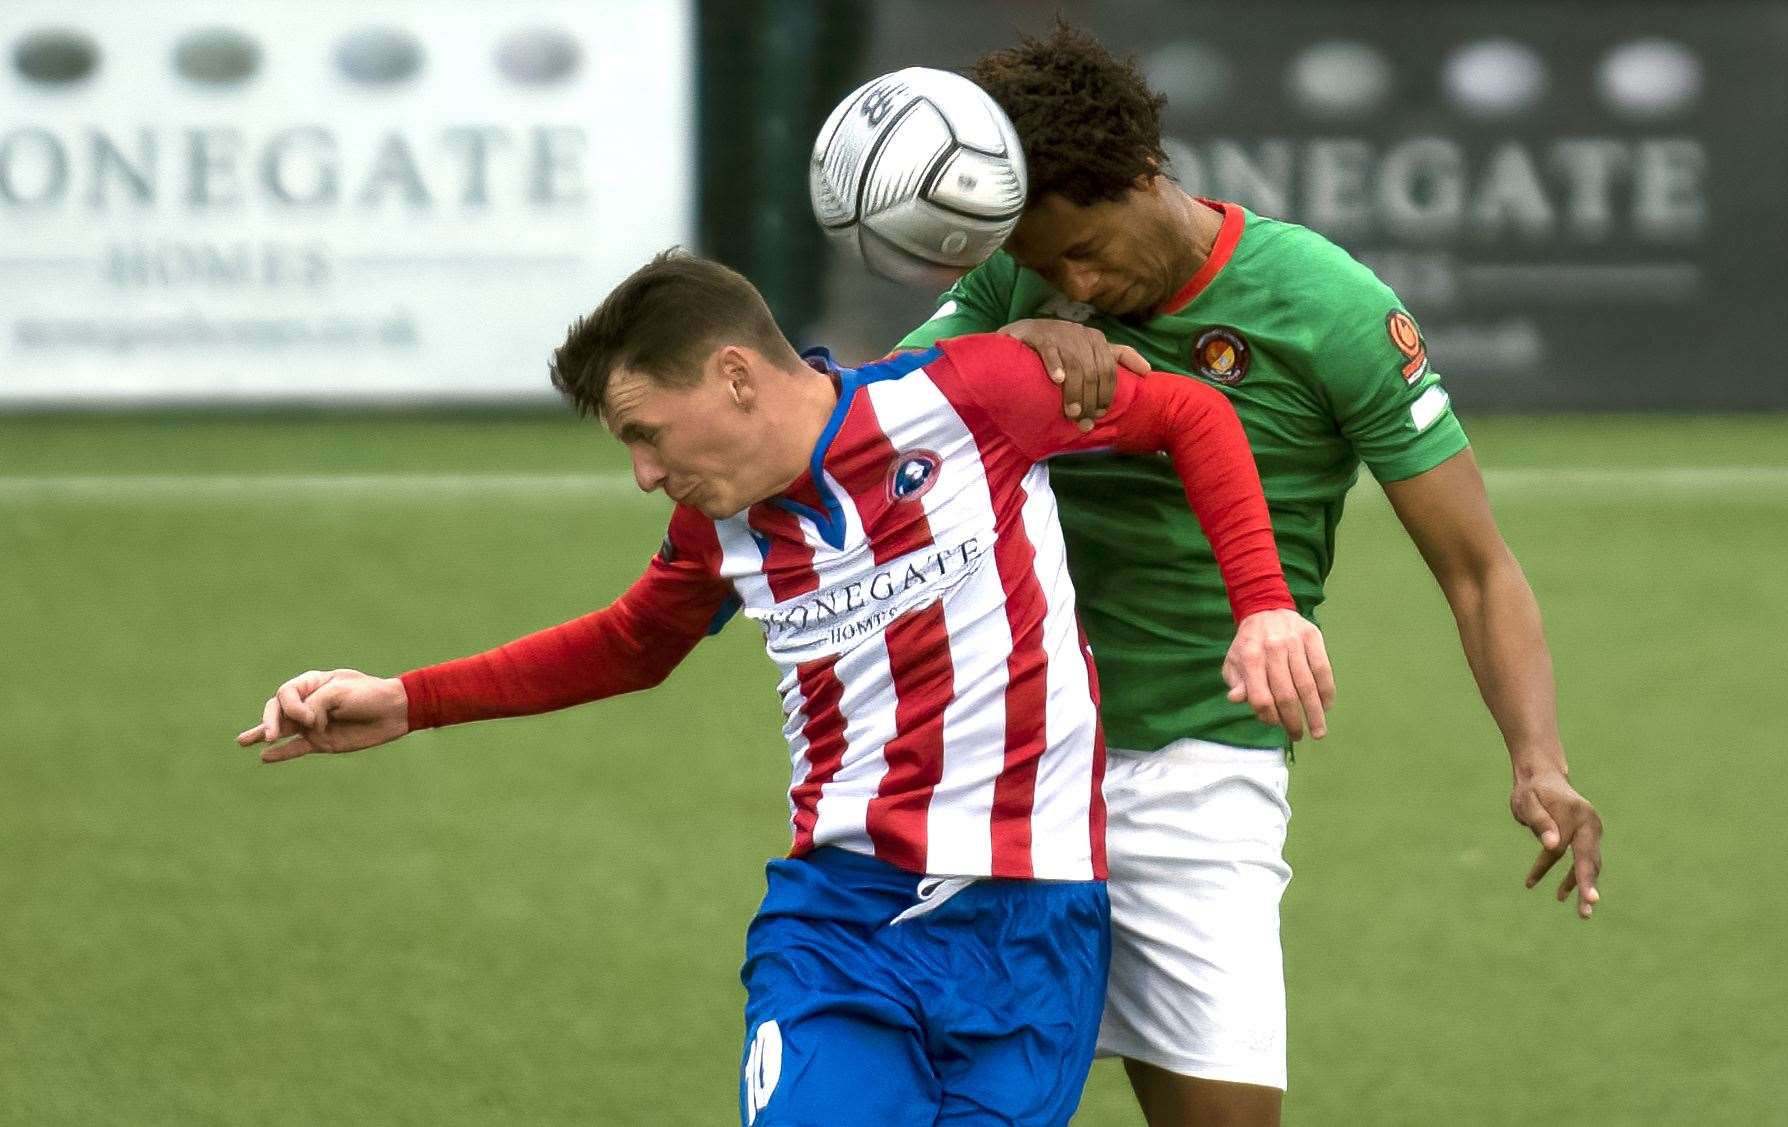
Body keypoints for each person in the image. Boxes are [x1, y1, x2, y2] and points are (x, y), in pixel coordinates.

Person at [234, 250, 1334, 1126]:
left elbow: (1191, 414)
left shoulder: (969, 400)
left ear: (733, 374)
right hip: (842, 923)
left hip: (1036, 923)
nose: (645, 472)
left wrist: (1263, 601)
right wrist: (410, 697)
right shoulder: (715, 527)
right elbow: (629, 643)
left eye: (644, 433)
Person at [888, 25, 1607, 1127]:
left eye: (1084, 250)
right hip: (997, 764)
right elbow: (872, 426)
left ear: (1143, 177)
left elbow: (1475, 568)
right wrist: (1014, 332)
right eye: (1046, 267)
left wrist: (1536, 758)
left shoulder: (1330, 307)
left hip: (1195, 777)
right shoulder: (1013, 284)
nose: (1076, 281)